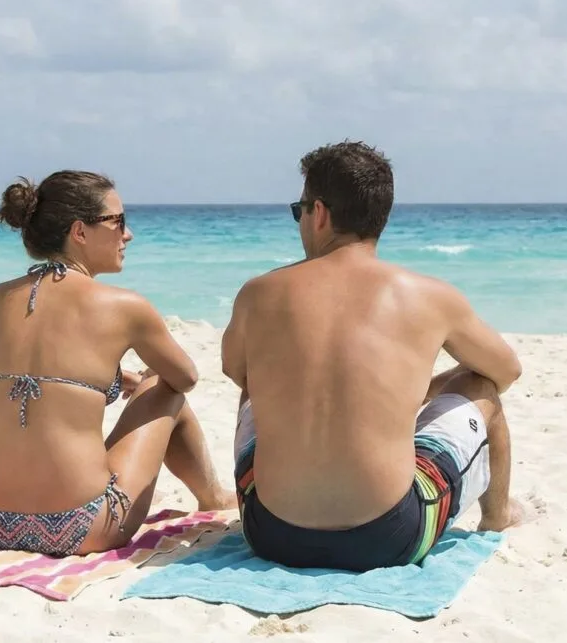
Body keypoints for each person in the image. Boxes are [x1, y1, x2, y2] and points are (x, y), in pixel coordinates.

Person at [222, 141, 524, 572]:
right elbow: (505, 371)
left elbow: (236, 371)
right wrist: (413, 391)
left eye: (298, 210)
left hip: (271, 534)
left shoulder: (258, 293)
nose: (300, 222)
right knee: (481, 386)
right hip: (388, 539)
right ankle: (498, 516)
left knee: (255, 386)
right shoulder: (429, 296)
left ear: (319, 213)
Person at [0, 170, 234, 557]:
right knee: (162, 385)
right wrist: (143, 378)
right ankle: (214, 497)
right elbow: (185, 377)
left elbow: (39, 369)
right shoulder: (123, 305)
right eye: (118, 221)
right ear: (80, 231)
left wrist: (110, 378)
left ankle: (213, 495)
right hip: (78, 527)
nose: (128, 234)